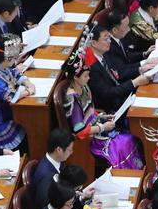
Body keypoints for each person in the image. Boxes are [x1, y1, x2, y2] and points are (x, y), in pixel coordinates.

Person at [60, 42, 145, 170]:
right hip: (91, 139)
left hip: (98, 126)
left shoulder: (84, 87)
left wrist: (103, 116)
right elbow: (80, 131)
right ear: (76, 78)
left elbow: (90, 112)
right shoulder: (72, 99)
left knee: (132, 135)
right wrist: (102, 127)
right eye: (85, 76)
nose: (89, 78)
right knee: (125, 143)